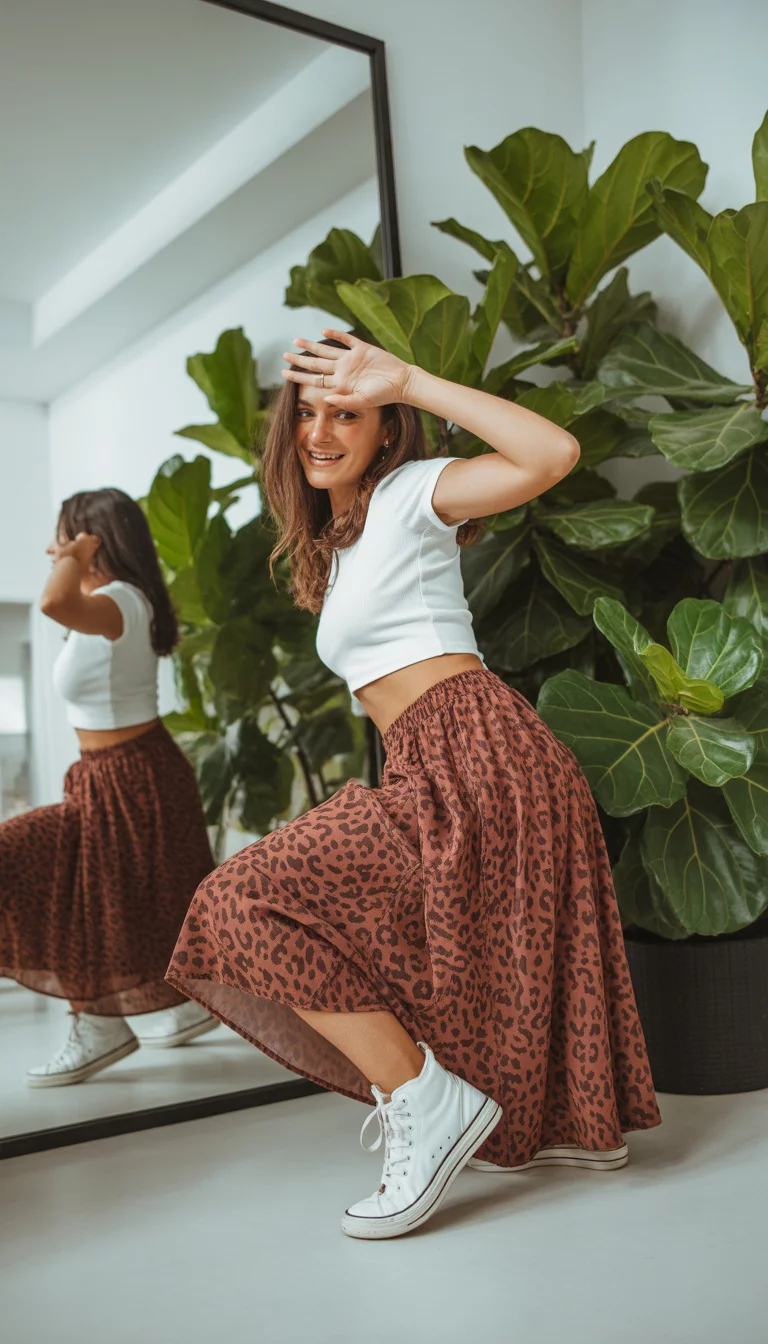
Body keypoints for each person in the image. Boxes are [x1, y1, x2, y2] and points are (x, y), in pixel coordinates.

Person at [167, 331, 661, 1240]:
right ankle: (550, 1125)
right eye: (309, 413)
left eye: (347, 413)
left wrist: (414, 380)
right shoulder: (343, 541)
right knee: (417, 943)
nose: (321, 431)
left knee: (240, 900)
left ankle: (425, 1102)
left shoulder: (406, 497)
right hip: (438, 761)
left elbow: (552, 454)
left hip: (479, 753)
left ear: (387, 431)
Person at [0, 489, 217, 1085]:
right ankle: (115, 1016)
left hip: (130, 776)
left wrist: (75, 554)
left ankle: (101, 1023)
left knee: (94, 897)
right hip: (109, 776)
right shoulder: (110, 604)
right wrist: (75, 551)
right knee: (95, 898)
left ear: (94, 539)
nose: (53, 549)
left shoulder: (120, 599)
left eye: (64, 536)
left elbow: (50, 601)